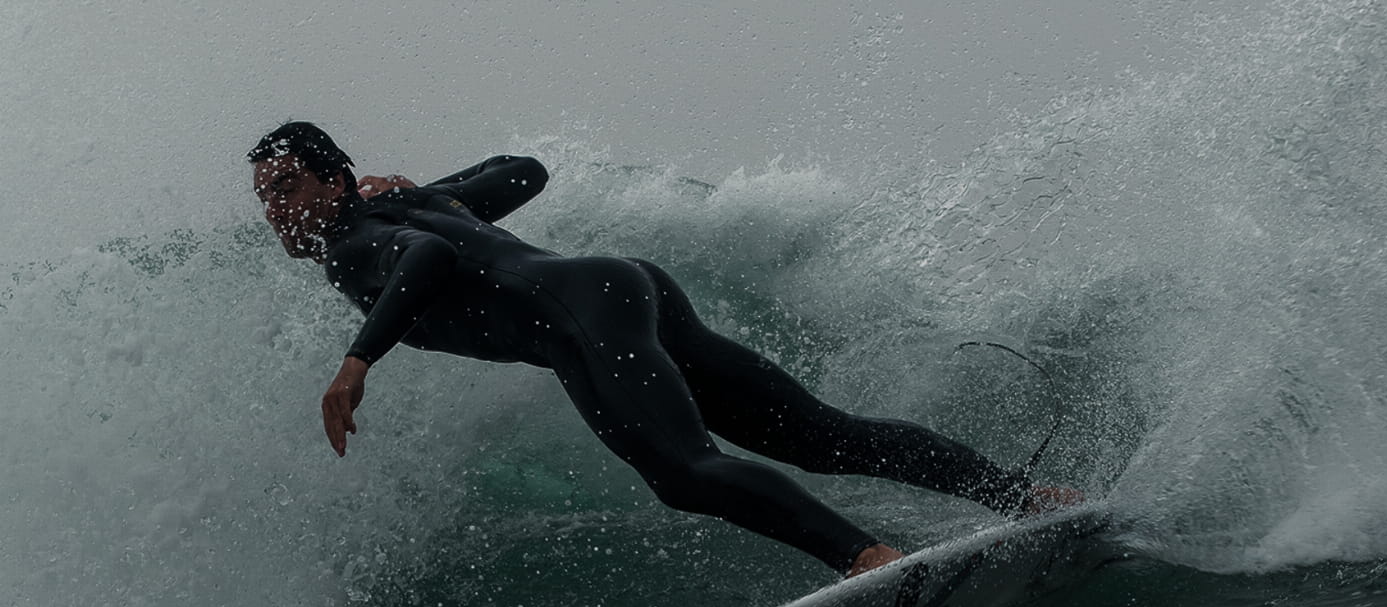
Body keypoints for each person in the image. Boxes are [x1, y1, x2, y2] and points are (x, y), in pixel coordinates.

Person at [247, 121, 1080, 577]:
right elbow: (525, 170)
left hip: (579, 315)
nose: (278, 211)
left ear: (335, 180)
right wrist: (427, 187)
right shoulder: (407, 206)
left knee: (686, 472)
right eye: (265, 199)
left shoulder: (350, 242)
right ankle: (1026, 498)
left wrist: (358, 360)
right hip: (624, 285)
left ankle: (868, 560)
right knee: (821, 435)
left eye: (288, 187)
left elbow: (429, 260)